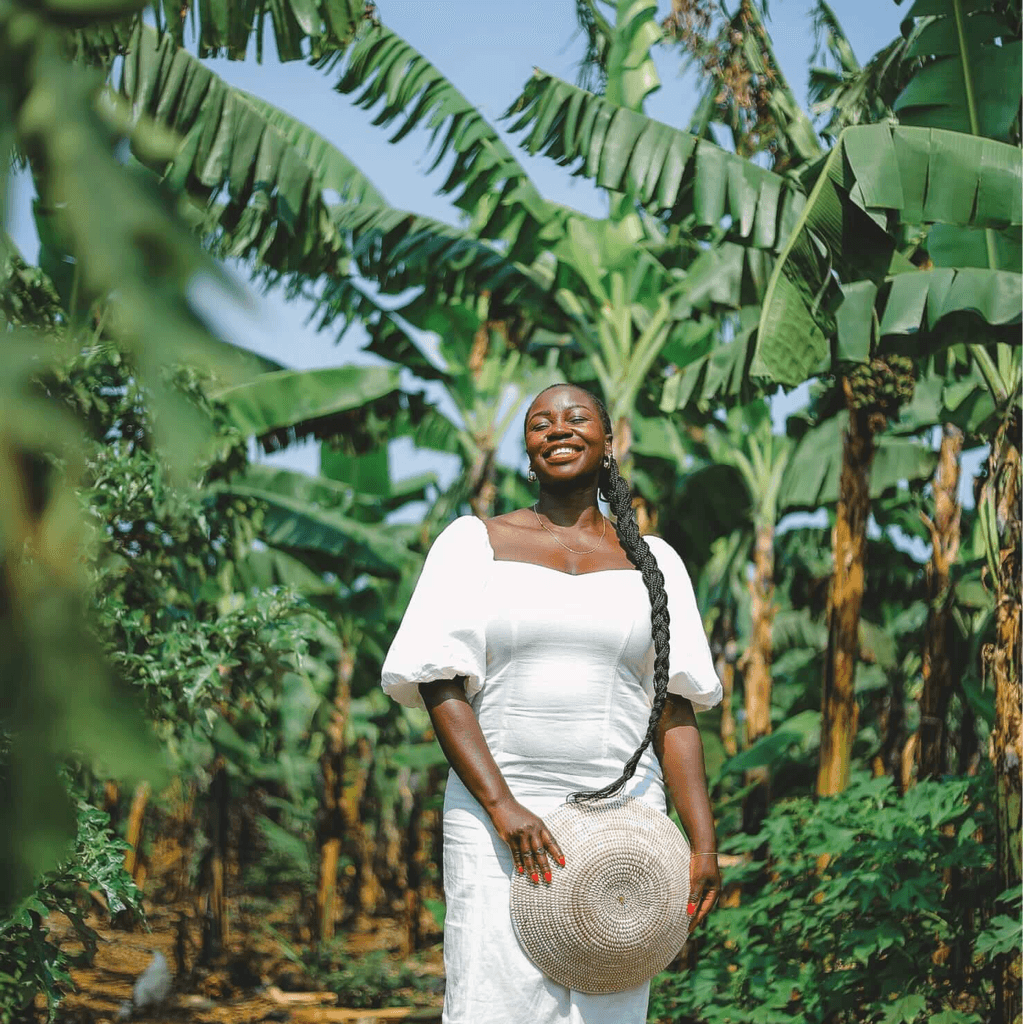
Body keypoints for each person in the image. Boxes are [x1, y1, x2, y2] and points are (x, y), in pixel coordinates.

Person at [381, 382, 723, 1024]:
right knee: (493, 1004)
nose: (558, 429)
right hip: (498, 818)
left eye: (576, 417)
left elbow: (675, 709)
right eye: (541, 422)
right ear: (528, 449)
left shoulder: (657, 565)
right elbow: (440, 683)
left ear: (608, 438)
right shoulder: (473, 543)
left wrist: (701, 844)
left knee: (608, 1006)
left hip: (624, 825)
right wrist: (503, 805)